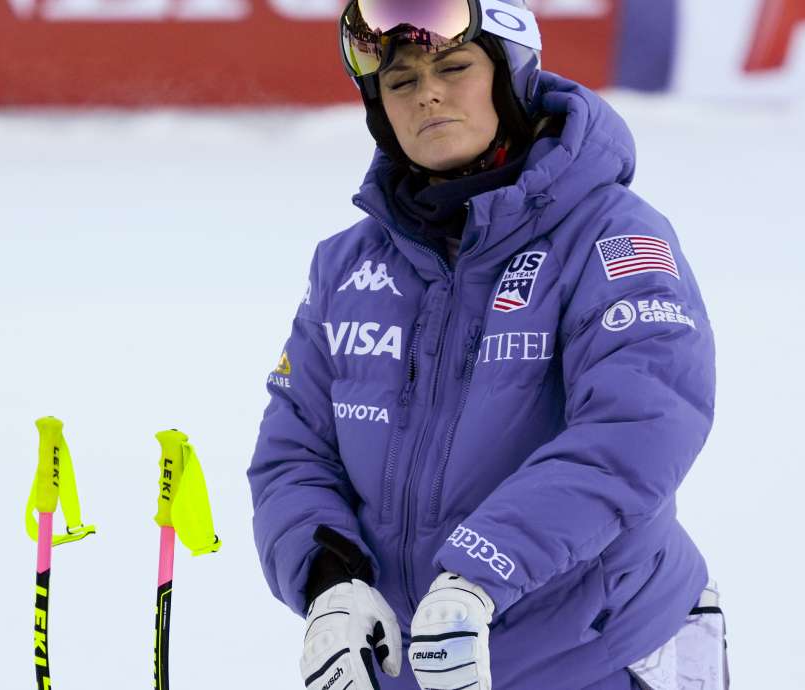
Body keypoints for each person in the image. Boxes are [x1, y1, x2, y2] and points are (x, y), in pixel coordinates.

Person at [247, 1, 728, 689]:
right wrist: (329, 580)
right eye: (401, 82)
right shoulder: (347, 266)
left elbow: (639, 429)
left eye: (453, 68)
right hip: (419, 663)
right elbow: (295, 450)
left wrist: (478, 573)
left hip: (598, 656)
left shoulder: (612, 236)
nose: (428, 95)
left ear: (511, 74)